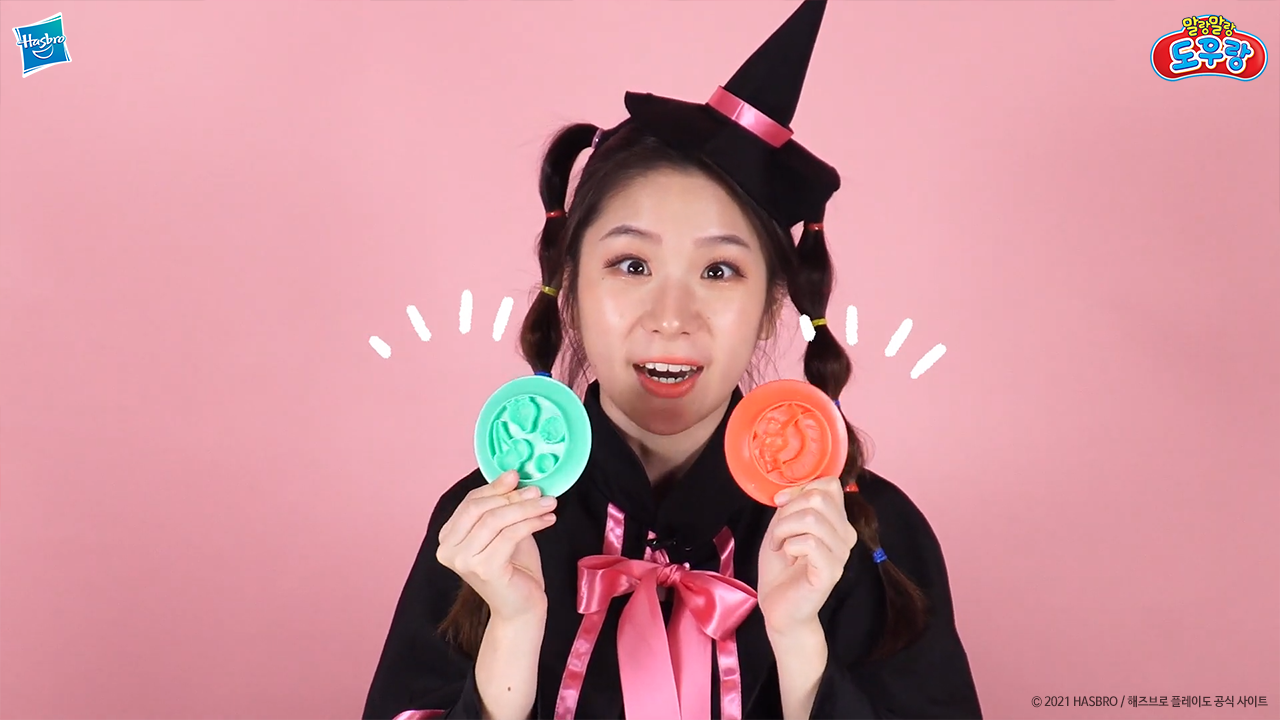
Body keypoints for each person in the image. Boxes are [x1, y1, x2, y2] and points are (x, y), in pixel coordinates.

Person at [362, 2, 982, 718]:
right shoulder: (483, 531)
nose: (671, 317)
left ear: (770, 306)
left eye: (719, 272)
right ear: (571, 289)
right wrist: (511, 636)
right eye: (631, 265)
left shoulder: (869, 535)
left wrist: (800, 649)